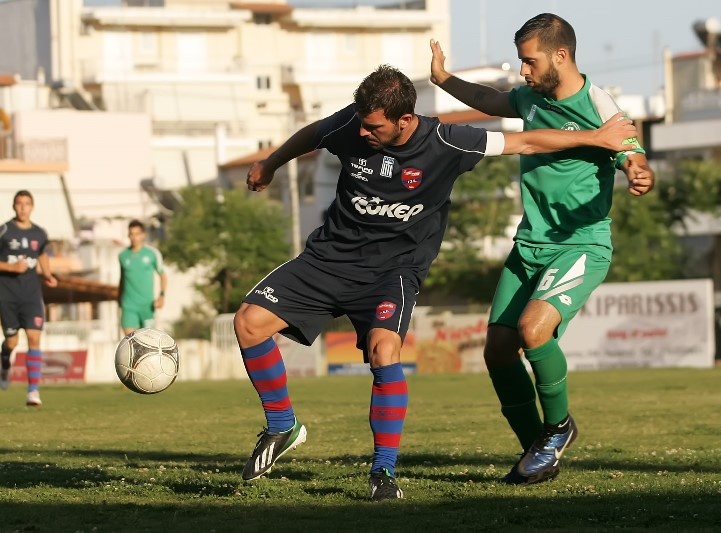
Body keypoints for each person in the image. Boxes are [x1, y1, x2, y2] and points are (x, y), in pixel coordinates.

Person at [233, 63, 638, 501]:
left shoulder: (447, 141)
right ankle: (282, 425)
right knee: (249, 322)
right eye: (362, 122)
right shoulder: (353, 123)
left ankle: (383, 474)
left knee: (384, 351)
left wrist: (596, 138)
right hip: (330, 258)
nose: (363, 132)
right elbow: (313, 133)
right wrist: (270, 163)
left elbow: (526, 140)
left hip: (394, 270)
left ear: (405, 119)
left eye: (374, 126)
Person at [429, 13, 655, 486]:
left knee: (533, 330)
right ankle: (540, 450)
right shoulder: (531, 98)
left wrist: (639, 172)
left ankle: (558, 428)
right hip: (530, 243)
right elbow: (489, 99)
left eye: (529, 62)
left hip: (581, 244)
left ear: (561, 55)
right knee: (497, 350)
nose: (523, 72)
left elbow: (633, 153)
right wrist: (444, 79)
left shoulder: (599, 104)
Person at [0, 190, 58, 406]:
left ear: (32, 207)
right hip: (7, 296)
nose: (23, 207)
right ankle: (5, 360)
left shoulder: (39, 233)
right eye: (19, 203)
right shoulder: (4, 231)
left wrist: (48, 273)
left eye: (27, 204)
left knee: (34, 337)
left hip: (31, 295)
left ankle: (33, 391)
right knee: (12, 341)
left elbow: (41, 253)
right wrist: (10, 267)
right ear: (14, 206)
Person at [118, 220, 167, 336]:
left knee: (147, 342)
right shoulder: (123, 255)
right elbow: (122, 279)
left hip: (147, 305)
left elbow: (163, 276)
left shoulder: (152, 254)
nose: (134, 237)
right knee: (131, 342)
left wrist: (162, 296)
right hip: (129, 305)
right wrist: (119, 298)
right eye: (131, 234)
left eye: (137, 234)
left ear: (143, 235)